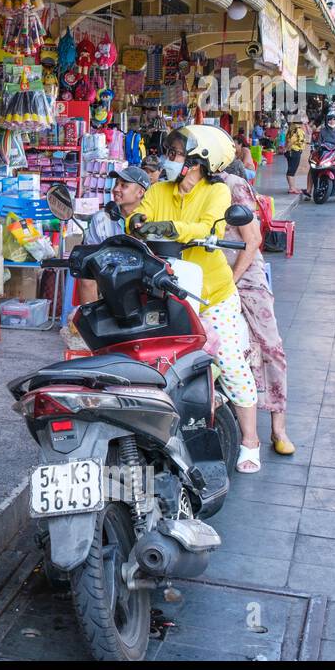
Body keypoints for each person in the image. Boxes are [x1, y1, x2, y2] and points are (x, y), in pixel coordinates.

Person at [129, 124, 262, 473]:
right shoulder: (158, 189)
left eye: (175, 155)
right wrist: (139, 220)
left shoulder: (216, 194)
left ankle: (250, 440)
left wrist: (171, 229)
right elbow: (138, 218)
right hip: (164, 290)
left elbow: (210, 229)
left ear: (198, 162)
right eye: (169, 153)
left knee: (232, 364)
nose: (167, 160)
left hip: (210, 295)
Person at [219, 161, 294, 456]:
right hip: (204, 276)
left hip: (244, 274)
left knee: (270, 346)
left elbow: (253, 241)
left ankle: (279, 428)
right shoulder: (180, 187)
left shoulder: (233, 185)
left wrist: (231, 282)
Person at [75, 166, 151, 309]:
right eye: (116, 184)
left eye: (124, 185)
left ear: (140, 192)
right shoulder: (101, 219)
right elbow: (89, 264)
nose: (116, 189)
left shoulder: (151, 221)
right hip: (111, 287)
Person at [305, 109, 335, 197]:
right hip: (325, 152)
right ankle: (308, 190)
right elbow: (319, 142)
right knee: (312, 167)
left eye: (334, 119)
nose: (332, 121)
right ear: (327, 120)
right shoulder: (323, 130)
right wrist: (316, 148)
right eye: (330, 119)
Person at [284, 118, 307, 194]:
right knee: (291, 170)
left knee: (292, 170)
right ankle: (291, 188)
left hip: (294, 151)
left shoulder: (293, 128)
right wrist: (286, 149)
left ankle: (293, 187)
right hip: (294, 151)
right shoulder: (296, 130)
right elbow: (291, 141)